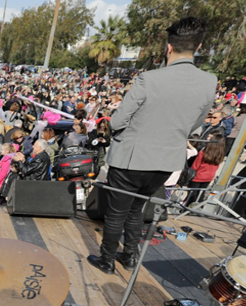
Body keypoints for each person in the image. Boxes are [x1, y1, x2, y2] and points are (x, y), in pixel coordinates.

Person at [87, 17, 217, 274]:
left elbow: (118, 120)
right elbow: (195, 125)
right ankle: (130, 257)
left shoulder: (149, 79)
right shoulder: (209, 81)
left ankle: (107, 260)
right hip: (165, 162)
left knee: (116, 213)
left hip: (131, 159)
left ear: (169, 47)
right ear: (198, 46)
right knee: (138, 210)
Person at [185, 133, 225, 205]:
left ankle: (186, 210)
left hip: (198, 176)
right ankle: (198, 208)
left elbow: (195, 166)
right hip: (209, 177)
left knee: (192, 194)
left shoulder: (203, 153)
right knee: (201, 194)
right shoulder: (220, 154)